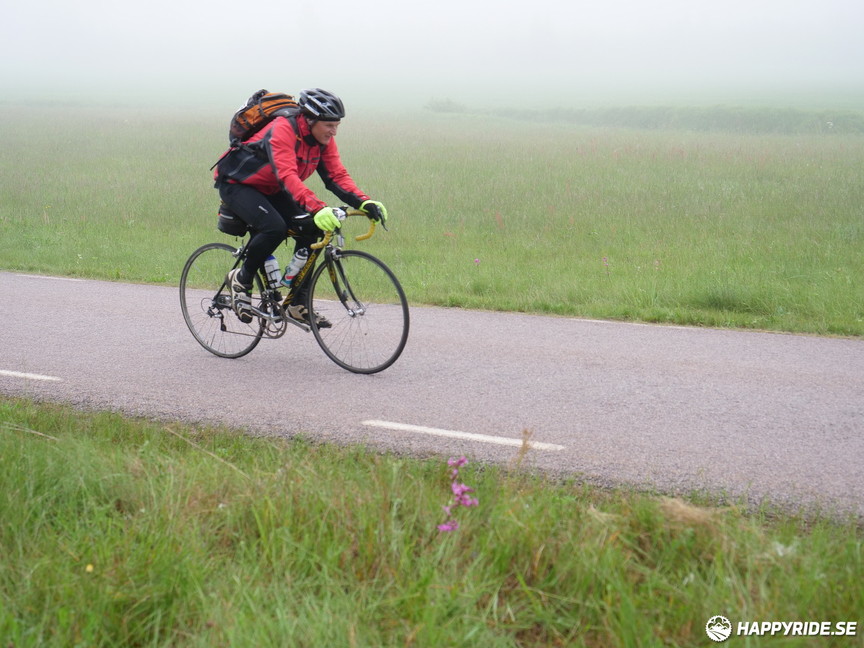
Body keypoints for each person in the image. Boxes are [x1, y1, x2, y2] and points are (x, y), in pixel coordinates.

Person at [213, 88, 388, 326]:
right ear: (311, 120)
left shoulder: (323, 140)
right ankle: (241, 279)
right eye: (329, 125)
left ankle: (297, 303)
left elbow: (336, 176)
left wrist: (364, 201)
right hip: (239, 184)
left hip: (272, 188)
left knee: (312, 228)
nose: (334, 131)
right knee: (274, 227)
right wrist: (318, 207)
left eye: (337, 125)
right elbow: (287, 175)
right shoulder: (284, 129)